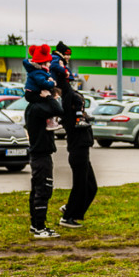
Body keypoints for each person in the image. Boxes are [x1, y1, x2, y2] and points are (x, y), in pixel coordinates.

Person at [56, 44, 96, 228]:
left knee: (91, 187)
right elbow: (65, 89)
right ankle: (68, 217)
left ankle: (71, 209)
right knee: (81, 186)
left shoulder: (72, 100)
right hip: (78, 151)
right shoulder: (68, 105)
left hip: (82, 150)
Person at [24, 88, 64, 238]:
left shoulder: (33, 107)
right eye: (55, 96)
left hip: (39, 154)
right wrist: (49, 98)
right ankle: (39, 227)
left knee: (37, 190)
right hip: (41, 155)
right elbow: (59, 110)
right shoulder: (37, 108)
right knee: (43, 190)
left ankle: (36, 225)